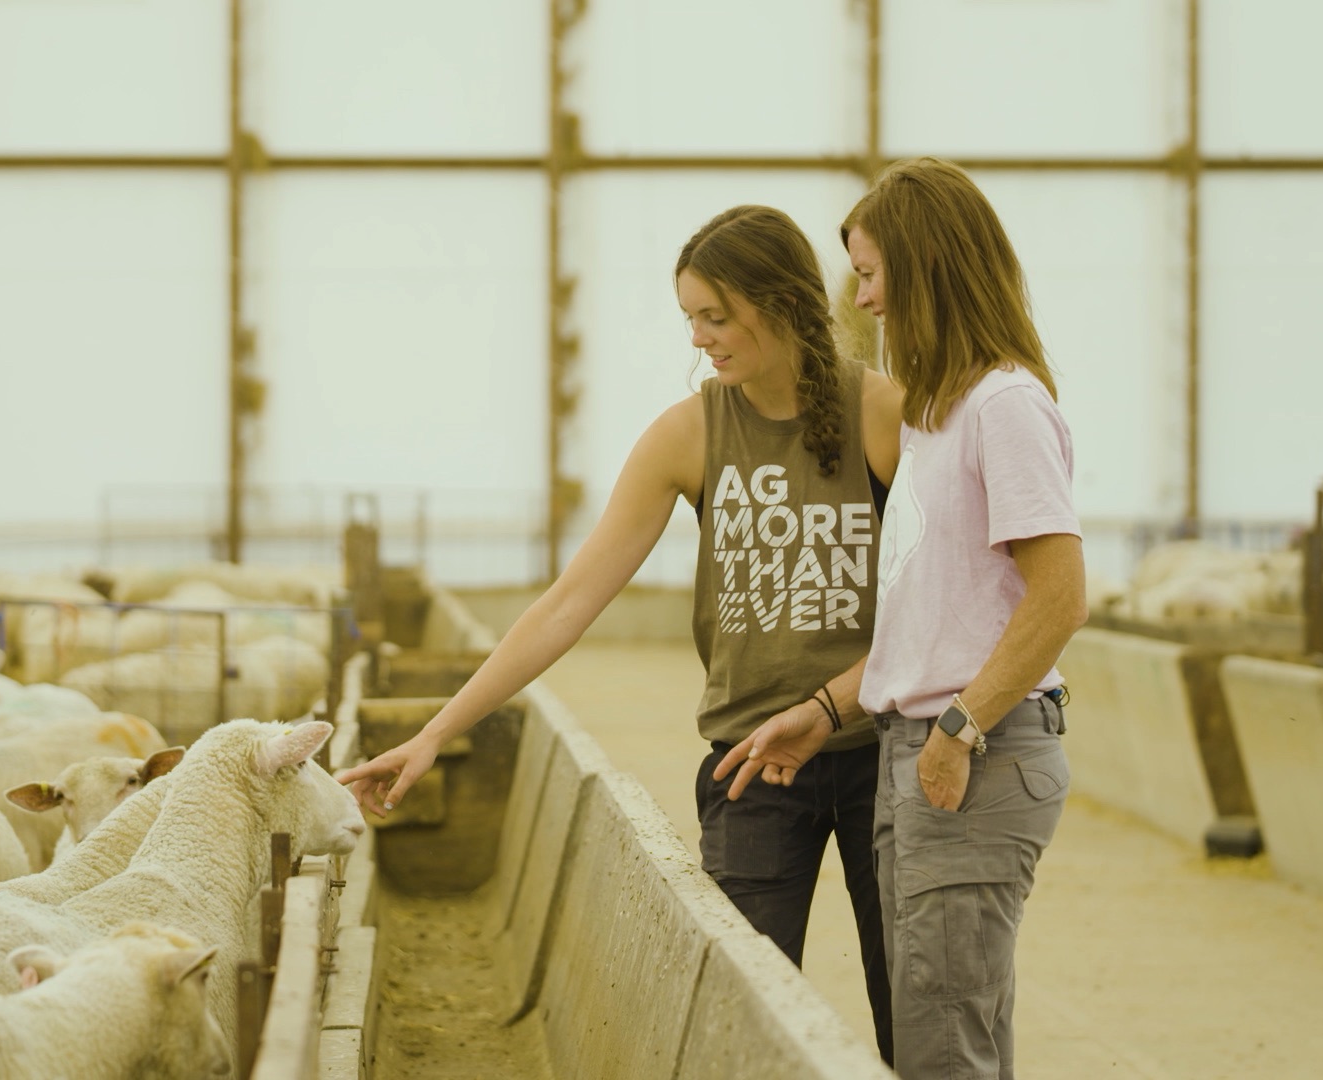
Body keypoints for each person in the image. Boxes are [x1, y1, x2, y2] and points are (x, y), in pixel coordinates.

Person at [336, 204, 902, 1062]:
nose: (702, 340)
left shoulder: (881, 412)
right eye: (691, 321)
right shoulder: (689, 434)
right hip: (752, 763)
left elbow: (941, 601)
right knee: (741, 1014)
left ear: (780, 303)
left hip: (880, 752)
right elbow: (568, 602)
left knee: (910, 1002)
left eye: (716, 317)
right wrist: (435, 733)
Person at [717, 158, 1085, 1080]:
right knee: (943, 1026)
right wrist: (831, 709)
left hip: (972, 750)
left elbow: (1061, 596)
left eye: (874, 273)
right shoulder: (935, 415)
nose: (865, 298)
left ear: (927, 268)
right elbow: (932, 617)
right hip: (910, 744)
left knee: (941, 1038)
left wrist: (960, 727)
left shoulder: (1004, 404)